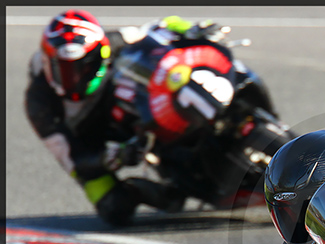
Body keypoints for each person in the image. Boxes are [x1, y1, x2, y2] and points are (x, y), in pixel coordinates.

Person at [25, 10, 278, 226]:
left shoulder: (111, 42)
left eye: (83, 66)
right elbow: (71, 159)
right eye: (64, 70)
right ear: (47, 62)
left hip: (129, 106)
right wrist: (110, 157)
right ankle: (156, 192)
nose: (75, 78)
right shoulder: (40, 103)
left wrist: (193, 29)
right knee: (113, 208)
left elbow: (160, 27)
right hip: (93, 141)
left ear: (99, 54)